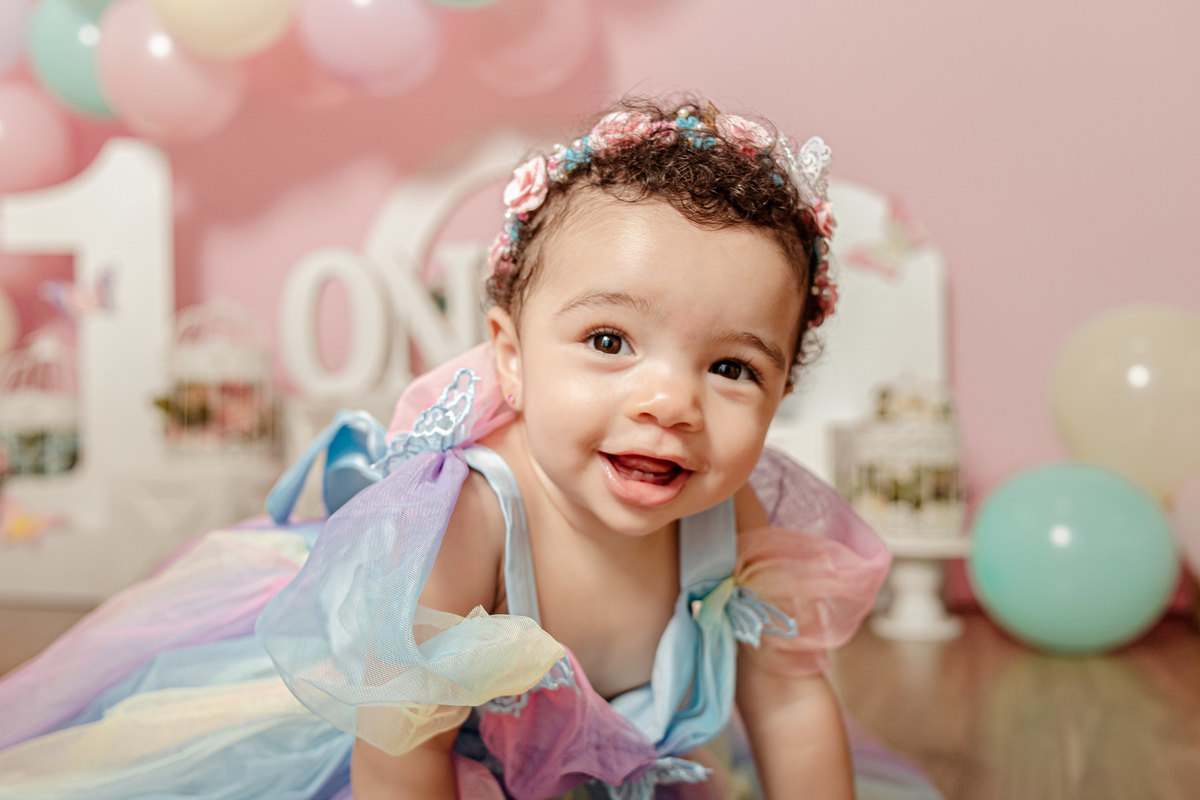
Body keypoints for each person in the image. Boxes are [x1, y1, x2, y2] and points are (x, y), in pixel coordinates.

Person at [0, 95, 940, 800]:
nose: (671, 403)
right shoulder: (470, 519)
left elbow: (786, 701)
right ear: (511, 359)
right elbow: (397, 752)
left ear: (781, 394)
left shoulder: (733, 517)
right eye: (609, 343)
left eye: (733, 368)